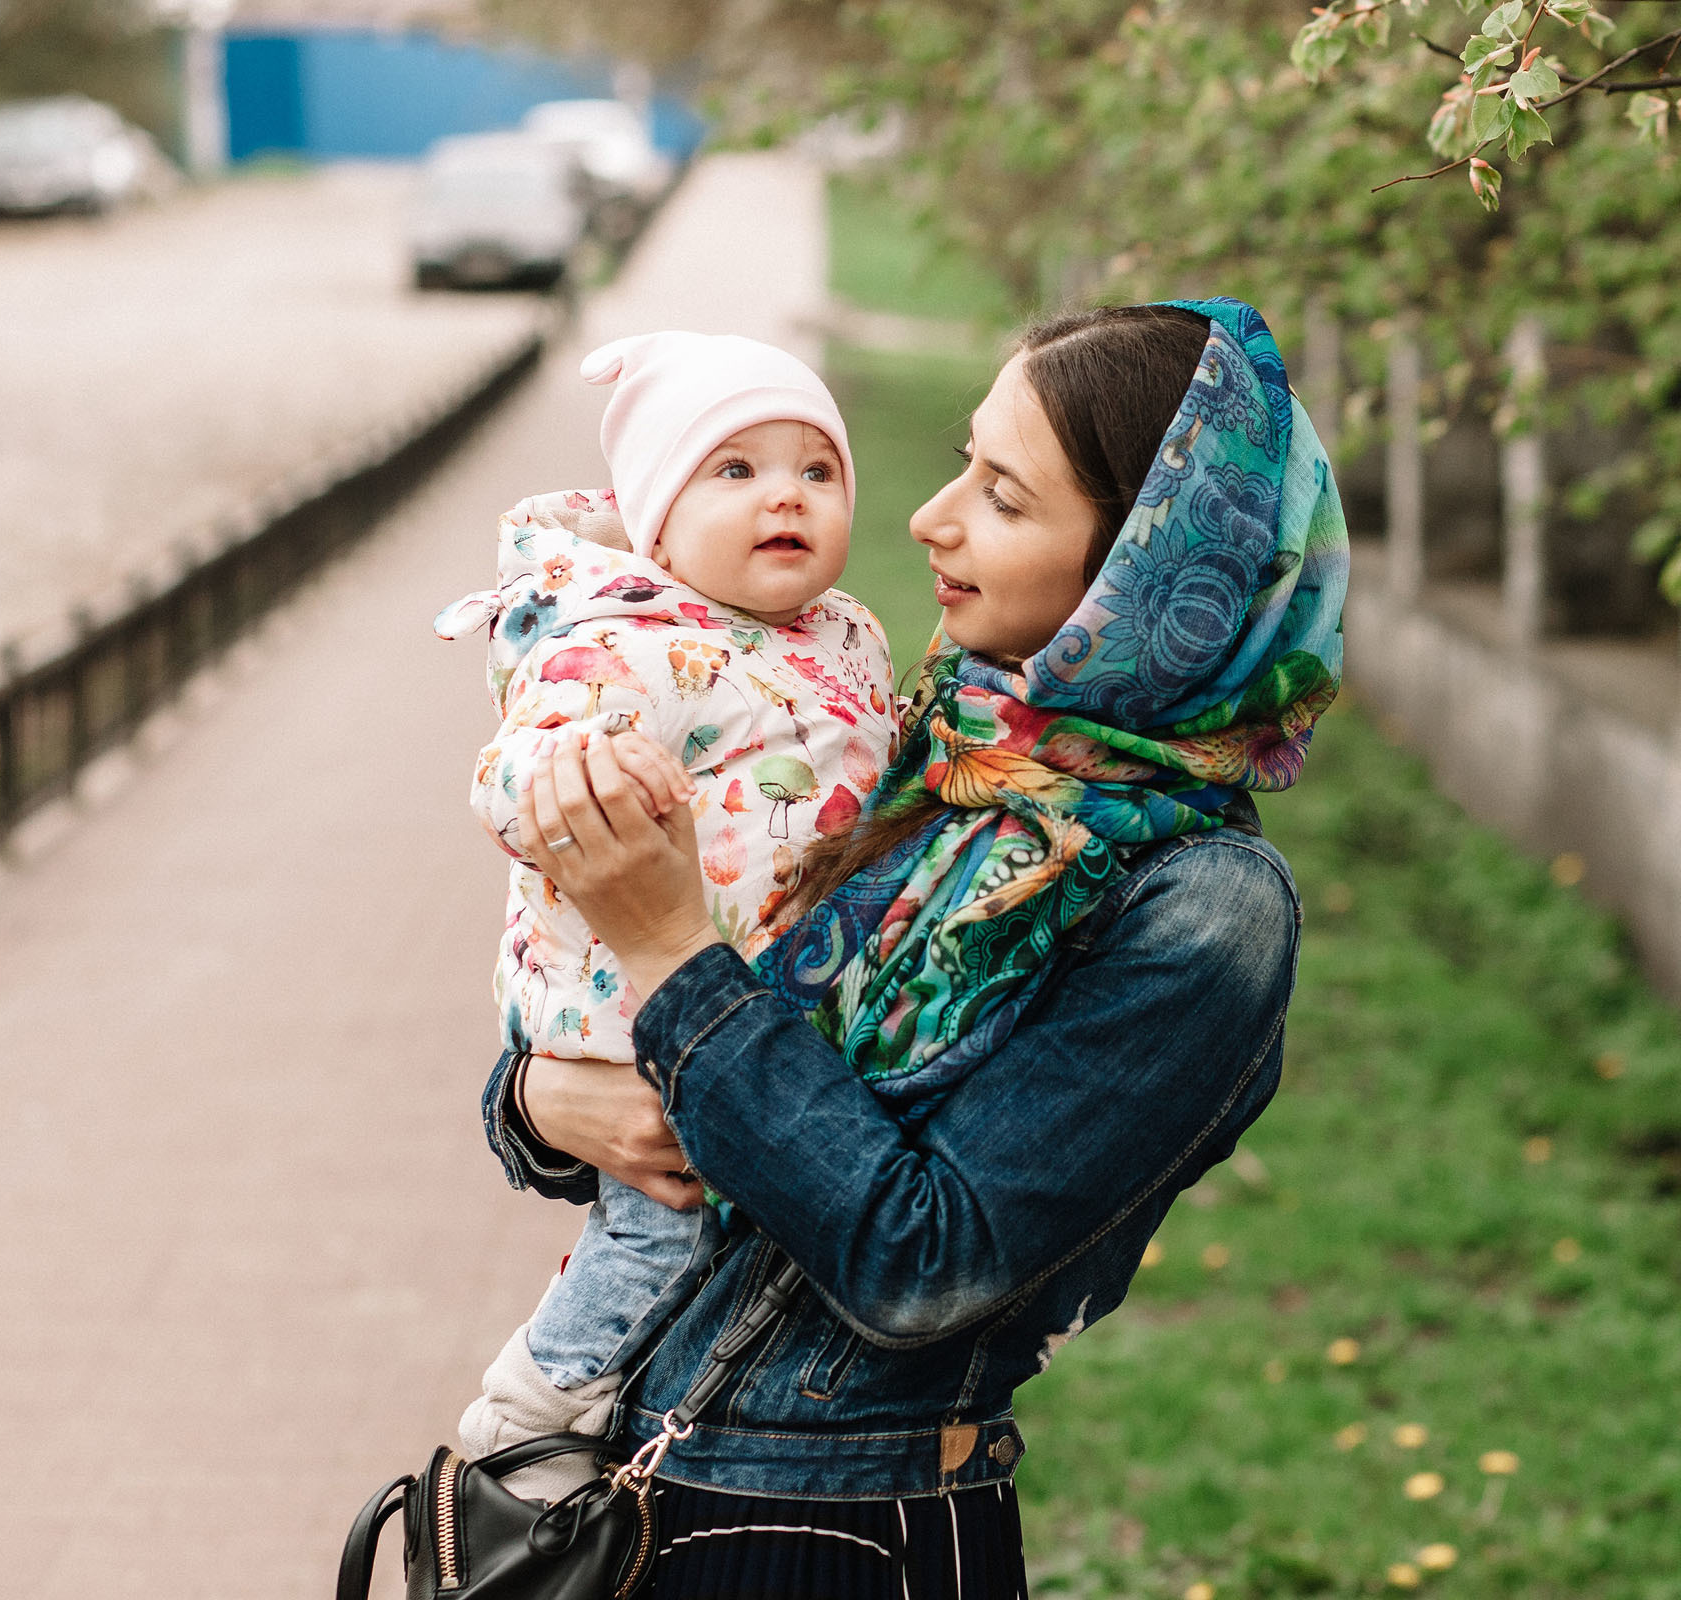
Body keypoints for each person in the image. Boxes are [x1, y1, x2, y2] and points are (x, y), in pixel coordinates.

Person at [486, 297, 1348, 1597]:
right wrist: (539, 1101)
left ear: (1145, 568)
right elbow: (680, 1088)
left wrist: (665, 945)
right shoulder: (931, 751)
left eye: (1002, 496)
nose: (927, 517)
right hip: (630, 1479)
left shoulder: (1202, 908)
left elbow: (922, 1263)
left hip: (839, 1535)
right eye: (962, 462)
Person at [434, 331, 898, 1499]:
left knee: (712, 1234)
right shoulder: (622, 641)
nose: (784, 493)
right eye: (733, 471)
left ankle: (624, 1421)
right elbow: (510, 776)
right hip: (633, 1007)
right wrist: (597, 768)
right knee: (659, 1228)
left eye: (817, 470)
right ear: (655, 515)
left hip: (751, 1001)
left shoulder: (851, 634)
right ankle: (529, 1420)